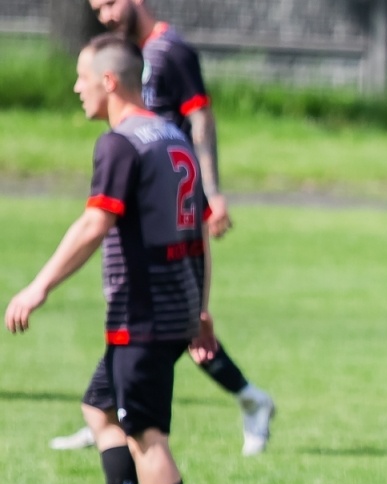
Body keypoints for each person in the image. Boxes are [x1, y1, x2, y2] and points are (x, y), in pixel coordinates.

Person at [5, 33, 204, 484]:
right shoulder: (170, 134)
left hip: (144, 310)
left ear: (109, 81)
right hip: (176, 302)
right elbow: (200, 230)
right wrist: (201, 309)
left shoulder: (120, 143)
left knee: (146, 433)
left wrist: (38, 286)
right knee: (99, 406)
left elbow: (96, 222)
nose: (76, 87)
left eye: (82, 77)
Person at [47, 0, 276, 457]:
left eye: (109, 3)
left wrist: (211, 193)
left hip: (171, 209)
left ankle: (108, 414)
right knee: (173, 326)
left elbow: (200, 117)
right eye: (97, 8)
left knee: (162, 325)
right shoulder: (127, 58)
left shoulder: (170, 51)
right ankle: (106, 414)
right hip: (151, 201)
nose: (105, 15)